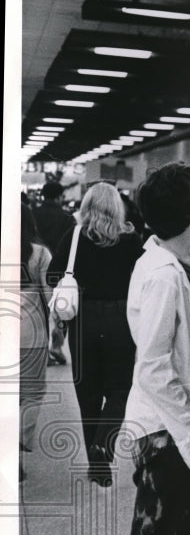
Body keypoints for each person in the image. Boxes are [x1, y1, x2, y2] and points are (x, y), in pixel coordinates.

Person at [120, 164, 190, 535]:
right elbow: (154, 367)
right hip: (168, 434)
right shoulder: (164, 275)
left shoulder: (163, 264)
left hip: (168, 431)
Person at [48, 182, 143, 487]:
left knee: (87, 392)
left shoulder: (74, 236)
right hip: (119, 318)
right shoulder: (130, 241)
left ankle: (97, 468)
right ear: (117, 207)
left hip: (83, 320)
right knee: (122, 387)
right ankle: (104, 442)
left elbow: (52, 275)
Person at [19, 209, 51, 482]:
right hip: (31, 330)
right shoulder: (39, 253)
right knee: (32, 393)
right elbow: (50, 294)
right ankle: (19, 439)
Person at [32, 182, 76, 366]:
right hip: (59, 268)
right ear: (59, 197)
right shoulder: (67, 218)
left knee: (39, 307)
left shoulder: (33, 214)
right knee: (59, 307)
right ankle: (57, 345)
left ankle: (41, 348)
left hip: (35, 263)